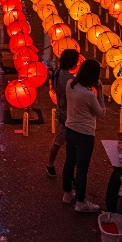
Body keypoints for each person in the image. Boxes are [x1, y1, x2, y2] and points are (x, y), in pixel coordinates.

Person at [61, 58, 105, 212]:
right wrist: (100, 91)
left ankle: (67, 193)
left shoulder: (70, 85)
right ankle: (81, 201)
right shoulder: (89, 94)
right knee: (82, 168)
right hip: (85, 135)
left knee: (69, 162)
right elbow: (101, 112)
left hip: (70, 130)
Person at [46, 49, 79, 177]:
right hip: (68, 114)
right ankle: (51, 164)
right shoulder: (70, 80)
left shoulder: (58, 72)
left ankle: (51, 164)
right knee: (60, 140)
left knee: (59, 141)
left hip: (61, 109)